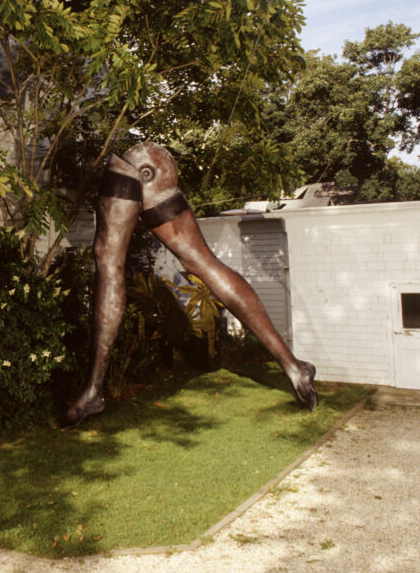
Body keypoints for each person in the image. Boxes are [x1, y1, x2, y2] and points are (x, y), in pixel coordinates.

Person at [62, 142, 318, 429]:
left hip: (131, 164)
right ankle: (294, 367)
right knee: (204, 264)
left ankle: (93, 391)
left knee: (109, 264)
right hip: (156, 165)